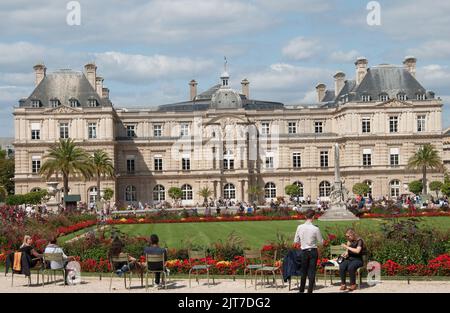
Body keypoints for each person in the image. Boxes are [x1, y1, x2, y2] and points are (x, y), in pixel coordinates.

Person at [293, 209, 323, 293]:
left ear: (305, 217)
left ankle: (301, 290)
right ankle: (310, 291)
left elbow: (296, 240)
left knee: (303, 271)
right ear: (313, 217)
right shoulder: (315, 228)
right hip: (313, 250)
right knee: (312, 271)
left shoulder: (299, 227)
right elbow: (321, 241)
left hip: (304, 251)